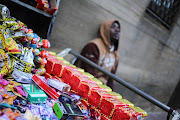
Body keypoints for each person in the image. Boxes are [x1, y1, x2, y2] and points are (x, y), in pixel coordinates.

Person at [77, 20, 120, 90]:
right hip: (87, 86)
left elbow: (111, 80)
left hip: (103, 88)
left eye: (118, 28)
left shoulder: (115, 54)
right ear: (105, 30)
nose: (117, 30)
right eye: (113, 27)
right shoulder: (93, 46)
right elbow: (89, 74)